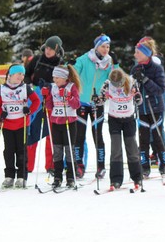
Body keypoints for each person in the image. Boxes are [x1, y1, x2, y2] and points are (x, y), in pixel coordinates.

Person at [73, 33, 119, 179]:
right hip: (81, 102)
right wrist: (70, 65)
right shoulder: (85, 59)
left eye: (108, 46)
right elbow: (73, 73)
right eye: (103, 46)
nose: (106, 49)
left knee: (98, 136)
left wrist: (116, 65)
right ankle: (78, 165)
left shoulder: (109, 62)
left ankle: (101, 166)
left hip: (97, 102)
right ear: (96, 46)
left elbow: (115, 80)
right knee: (79, 136)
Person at [0, 64, 40, 188]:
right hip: (8, 124)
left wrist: (29, 110)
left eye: (22, 74)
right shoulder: (1, 89)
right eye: (18, 73)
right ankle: (9, 176)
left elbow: (36, 101)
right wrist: (0, 114)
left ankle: (21, 176)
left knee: (21, 151)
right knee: (8, 151)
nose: (21, 76)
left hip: (22, 124)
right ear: (11, 74)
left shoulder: (25, 88)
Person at [24, 36, 64, 175]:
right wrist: (29, 84)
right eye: (46, 48)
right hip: (35, 98)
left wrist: (51, 86)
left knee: (51, 132)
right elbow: (26, 74)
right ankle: (27, 165)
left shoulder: (60, 62)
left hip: (52, 100)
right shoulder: (37, 59)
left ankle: (51, 165)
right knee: (32, 130)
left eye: (51, 49)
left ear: (57, 50)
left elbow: (63, 81)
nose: (48, 51)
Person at [99, 68, 142, 189]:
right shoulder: (107, 84)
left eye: (120, 84)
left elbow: (139, 99)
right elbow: (101, 100)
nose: (118, 87)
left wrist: (137, 98)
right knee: (116, 150)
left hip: (128, 119)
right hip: (114, 119)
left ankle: (137, 177)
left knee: (132, 149)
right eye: (115, 85)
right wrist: (98, 99)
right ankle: (116, 179)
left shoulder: (132, 82)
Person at [131, 36, 165, 178]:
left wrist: (145, 80)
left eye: (138, 53)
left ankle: (163, 165)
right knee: (143, 139)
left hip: (155, 108)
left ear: (146, 54)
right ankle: (144, 167)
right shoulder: (135, 68)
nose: (135, 55)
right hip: (141, 109)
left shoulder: (156, 68)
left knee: (157, 138)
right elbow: (131, 87)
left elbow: (160, 90)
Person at [42, 65, 81, 188]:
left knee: (69, 150)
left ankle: (70, 177)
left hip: (69, 123)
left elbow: (77, 105)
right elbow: (50, 106)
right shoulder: (53, 87)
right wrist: (46, 97)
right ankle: (57, 177)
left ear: (64, 78)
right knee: (57, 151)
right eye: (54, 77)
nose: (55, 80)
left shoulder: (71, 87)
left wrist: (68, 97)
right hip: (56, 123)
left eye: (58, 77)